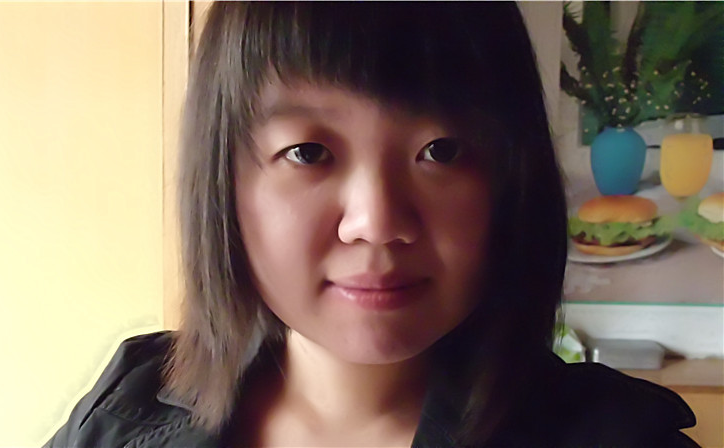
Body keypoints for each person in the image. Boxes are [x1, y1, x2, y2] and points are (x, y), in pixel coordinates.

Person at [45, 2, 699, 447]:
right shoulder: (127, 414)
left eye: (441, 151)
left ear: (512, 180)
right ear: (223, 182)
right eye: (309, 152)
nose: (377, 223)